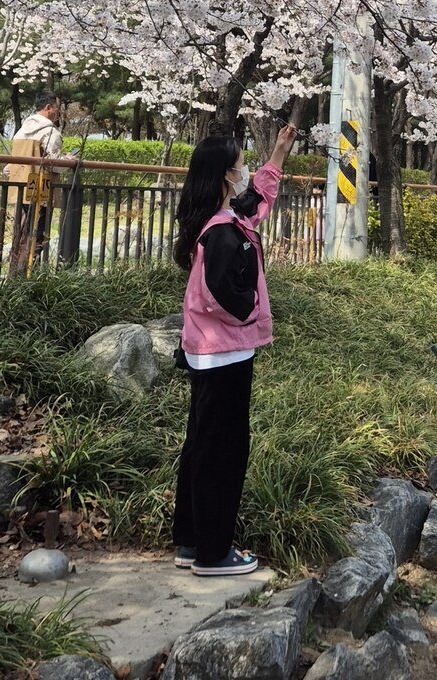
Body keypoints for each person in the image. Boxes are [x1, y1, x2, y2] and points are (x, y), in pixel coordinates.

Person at [172, 124, 298, 577]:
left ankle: (191, 540)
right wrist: (251, 314)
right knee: (223, 452)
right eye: (242, 164)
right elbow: (220, 293)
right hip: (225, 352)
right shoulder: (223, 233)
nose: (246, 171)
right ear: (227, 176)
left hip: (209, 351)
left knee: (202, 446)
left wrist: (279, 155)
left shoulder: (222, 221)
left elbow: (256, 204)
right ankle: (213, 553)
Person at [8, 92, 74, 273]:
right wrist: (69, 161)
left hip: (21, 188)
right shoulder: (50, 131)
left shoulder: (21, 130)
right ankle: (27, 275)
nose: (58, 112)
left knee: (20, 234)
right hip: (41, 189)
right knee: (37, 236)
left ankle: (14, 274)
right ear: (48, 108)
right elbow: (53, 163)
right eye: (56, 108)